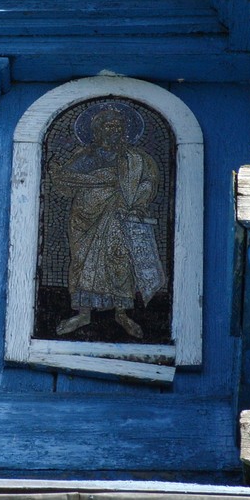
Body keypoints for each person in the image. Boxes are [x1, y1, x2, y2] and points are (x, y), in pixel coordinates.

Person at [54, 106, 165, 339]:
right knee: (82, 262)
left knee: (120, 260)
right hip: (86, 218)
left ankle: (121, 313)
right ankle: (83, 313)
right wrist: (88, 180)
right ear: (97, 130)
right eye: (108, 126)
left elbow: (147, 182)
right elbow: (64, 182)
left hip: (120, 215)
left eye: (118, 127)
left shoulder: (135, 159)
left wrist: (139, 203)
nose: (114, 131)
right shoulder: (86, 156)